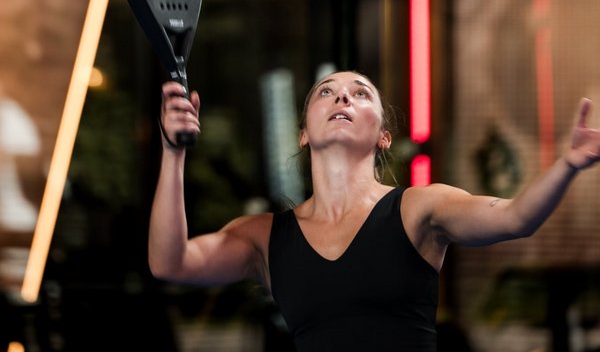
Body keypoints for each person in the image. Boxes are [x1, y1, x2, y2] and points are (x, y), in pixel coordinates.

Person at [148, 70, 600, 352]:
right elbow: (170, 261)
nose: (342, 98)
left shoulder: (419, 207)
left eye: (360, 93)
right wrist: (173, 153)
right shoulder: (264, 237)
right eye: (326, 92)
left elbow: (517, 218)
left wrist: (568, 164)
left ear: (383, 135)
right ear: (304, 132)